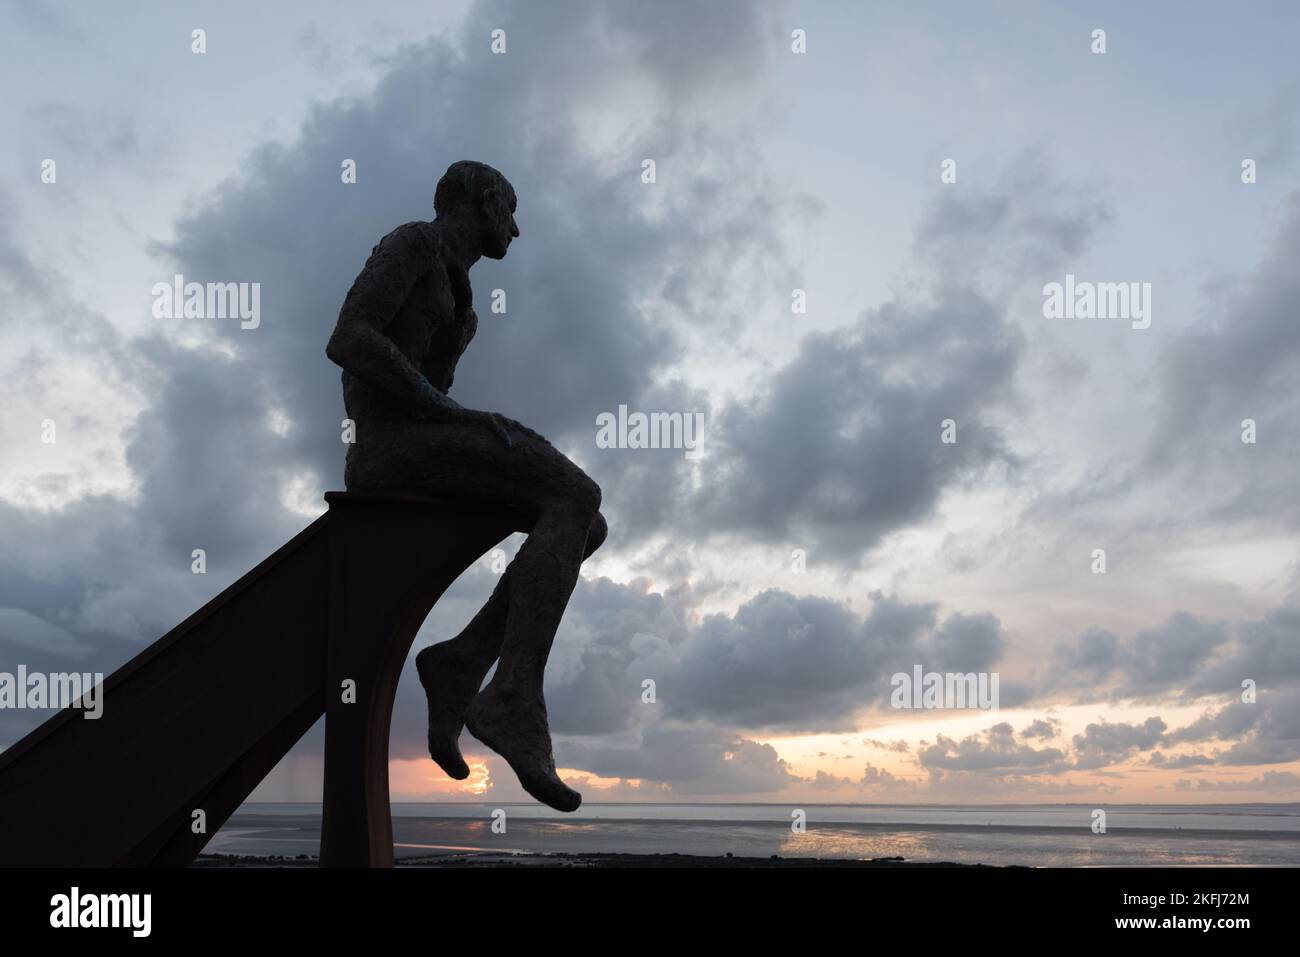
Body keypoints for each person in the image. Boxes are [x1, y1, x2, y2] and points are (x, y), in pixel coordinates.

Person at [325, 161, 606, 812]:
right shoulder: (413, 245)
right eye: (510, 210)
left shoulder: (467, 308)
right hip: (385, 451)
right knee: (576, 495)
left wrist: (468, 420)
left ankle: (463, 661)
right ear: (483, 203)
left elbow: (435, 407)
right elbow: (349, 338)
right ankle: (511, 693)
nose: (516, 227)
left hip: (421, 442)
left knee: (586, 524)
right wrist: (456, 413)